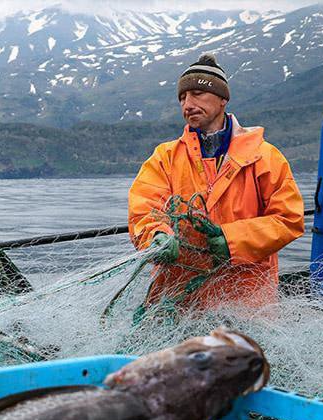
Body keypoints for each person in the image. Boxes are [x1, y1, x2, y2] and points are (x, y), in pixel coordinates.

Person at [128, 53, 305, 309]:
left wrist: (231, 240)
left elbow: (288, 219)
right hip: (177, 301)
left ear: (223, 99)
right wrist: (156, 235)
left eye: (197, 94)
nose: (188, 104)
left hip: (246, 303)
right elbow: (144, 210)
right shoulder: (164, 157)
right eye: (182, 97)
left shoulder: (265, 157)